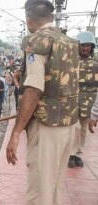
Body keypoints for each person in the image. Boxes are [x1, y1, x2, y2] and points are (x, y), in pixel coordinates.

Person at [6, 1, 80, 204]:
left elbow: (34, 87)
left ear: (29, 20)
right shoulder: (69, 42)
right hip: (69, 124)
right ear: (51, 18)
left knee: (39, 192)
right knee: (54, 188)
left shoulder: (36, 42)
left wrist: (16, 132)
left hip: (47, 127)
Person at [68, 31, 98, 168]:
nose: (85, 48)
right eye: (83, 45)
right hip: (73, 99)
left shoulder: (96, 63)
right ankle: (71, 153)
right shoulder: (71, 61)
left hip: (90, 101)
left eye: (88, 45)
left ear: (92, 47)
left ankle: (78, 154)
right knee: (75, 127)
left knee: (83, 129)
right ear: (78, 46)